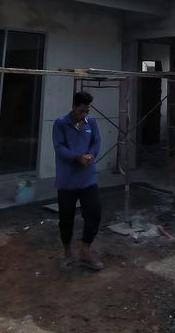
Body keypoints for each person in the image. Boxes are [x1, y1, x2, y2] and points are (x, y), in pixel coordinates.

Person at [52, 91, 104, 271]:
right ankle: (67, 253)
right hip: (67, 181)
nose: (85, 114)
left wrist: (91, 154)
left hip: (88, 179)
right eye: (82, 110)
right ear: (74, 107)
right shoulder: (60, 124)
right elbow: (59, 147)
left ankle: (85, 251)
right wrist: (76, 158)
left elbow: (96, 142)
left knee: (95, 213)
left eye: (87, 110)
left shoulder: (92, 122)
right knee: (66, 219)